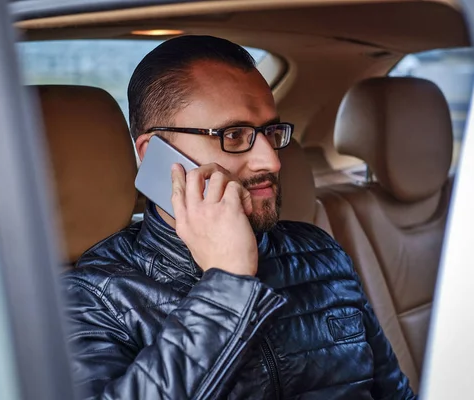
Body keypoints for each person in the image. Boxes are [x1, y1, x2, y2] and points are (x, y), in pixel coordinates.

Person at [64, 35, 416, 399]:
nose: (272, 161)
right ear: (155, 152)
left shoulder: (320, 252)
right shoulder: (93, 296)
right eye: (233, 135)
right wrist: (227, 283)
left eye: (270, 132)